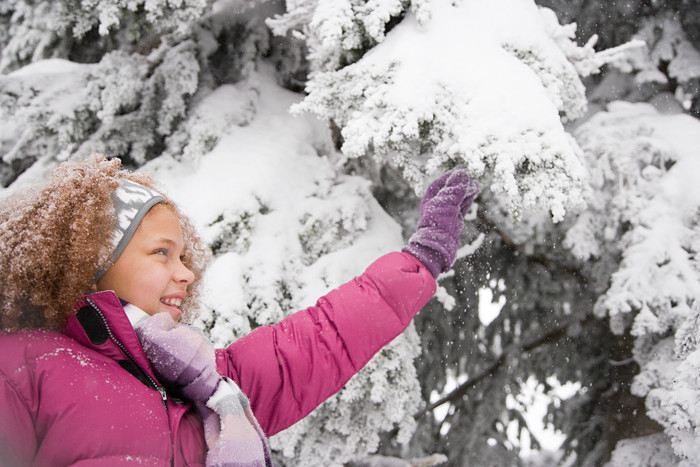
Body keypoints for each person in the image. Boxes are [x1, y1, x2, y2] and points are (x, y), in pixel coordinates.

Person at [0, 154, 478, 466]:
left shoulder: (202, 383)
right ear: (91, 260)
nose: (186, 273)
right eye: (162, 253)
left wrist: (421, 260)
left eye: (185, 257)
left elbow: (317, 341)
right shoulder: (21, 369)